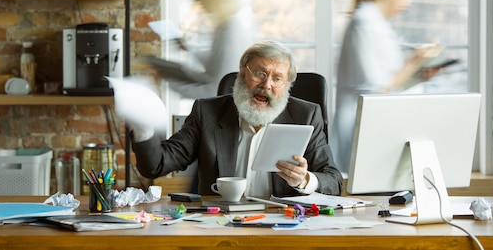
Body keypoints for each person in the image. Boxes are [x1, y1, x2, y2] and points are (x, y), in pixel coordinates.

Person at [129, 40, 343, 197]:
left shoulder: (306, 116)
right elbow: (155, 166)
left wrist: (305, 180)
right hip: (222, 227)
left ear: (287, 86)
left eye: (277, 79)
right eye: (259, 73)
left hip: (284, 227)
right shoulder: (208, 113)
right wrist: (142, 126)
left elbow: (334, 180)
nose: (267, 85)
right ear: (242, 73)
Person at [330, 0, 438, 173]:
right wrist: (413, 63)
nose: (408, 3)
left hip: (378, 123)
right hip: (360, 124)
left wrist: (418, 75)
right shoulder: (364, 24)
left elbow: (390, 81)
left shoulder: (377, 23)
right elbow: (377, 87)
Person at [151, 0, 255, 100]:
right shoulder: (225, 26)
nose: (197, 0)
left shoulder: (230, 32)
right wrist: (187, 50)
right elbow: (216, 65)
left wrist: (168, 82)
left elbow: (215, 91)